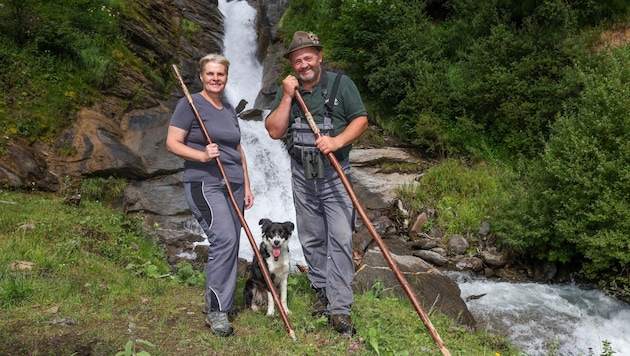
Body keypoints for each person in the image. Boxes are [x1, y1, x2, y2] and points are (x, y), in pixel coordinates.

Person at [265, 31, 368, 335]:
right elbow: (273, 130)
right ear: (292, 65)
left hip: (336, 174)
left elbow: (360, 119)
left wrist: (337, 141)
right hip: (302, 175)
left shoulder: (341, 84)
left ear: (320, 57)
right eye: (298, 60)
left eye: (309, 57)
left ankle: (340, 307)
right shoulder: (289, 90)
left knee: (340, 237)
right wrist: (286, 96)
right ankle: (322, 291)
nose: (304, 64)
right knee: (311, 239)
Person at [166, 53, 254, 337]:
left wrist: (248, 186)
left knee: (232, 243)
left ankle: (225, 304)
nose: (216, 78)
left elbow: (237, 150)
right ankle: (216, 311)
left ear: (226, 77)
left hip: (235, 186)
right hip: (205, 183)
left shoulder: (228, 109)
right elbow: (172, 143)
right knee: (224, 239)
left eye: (221, 74)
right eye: (210, 74)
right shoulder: (189, 104)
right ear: (201, 76)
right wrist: (202, 155)